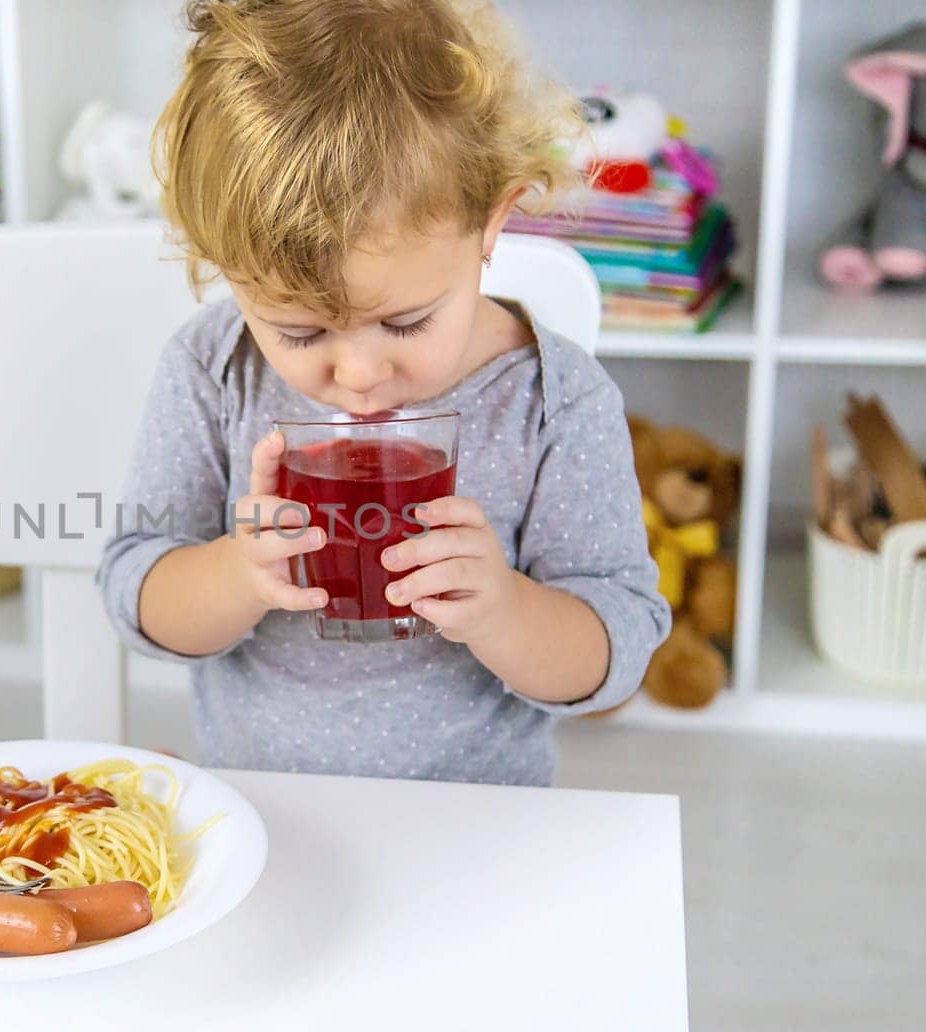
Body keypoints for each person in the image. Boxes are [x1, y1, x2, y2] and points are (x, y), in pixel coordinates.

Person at [96, 0, 669, 785]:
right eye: (298, 334)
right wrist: (237, 573)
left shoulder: (553, 401)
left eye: (404, 323)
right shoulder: (214, 368)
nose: (358, 376)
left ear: (491, 220)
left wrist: (504, 610)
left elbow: (619, 643)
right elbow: (135, 588)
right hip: (266, 814)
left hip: (482, 829)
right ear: (224, 267)